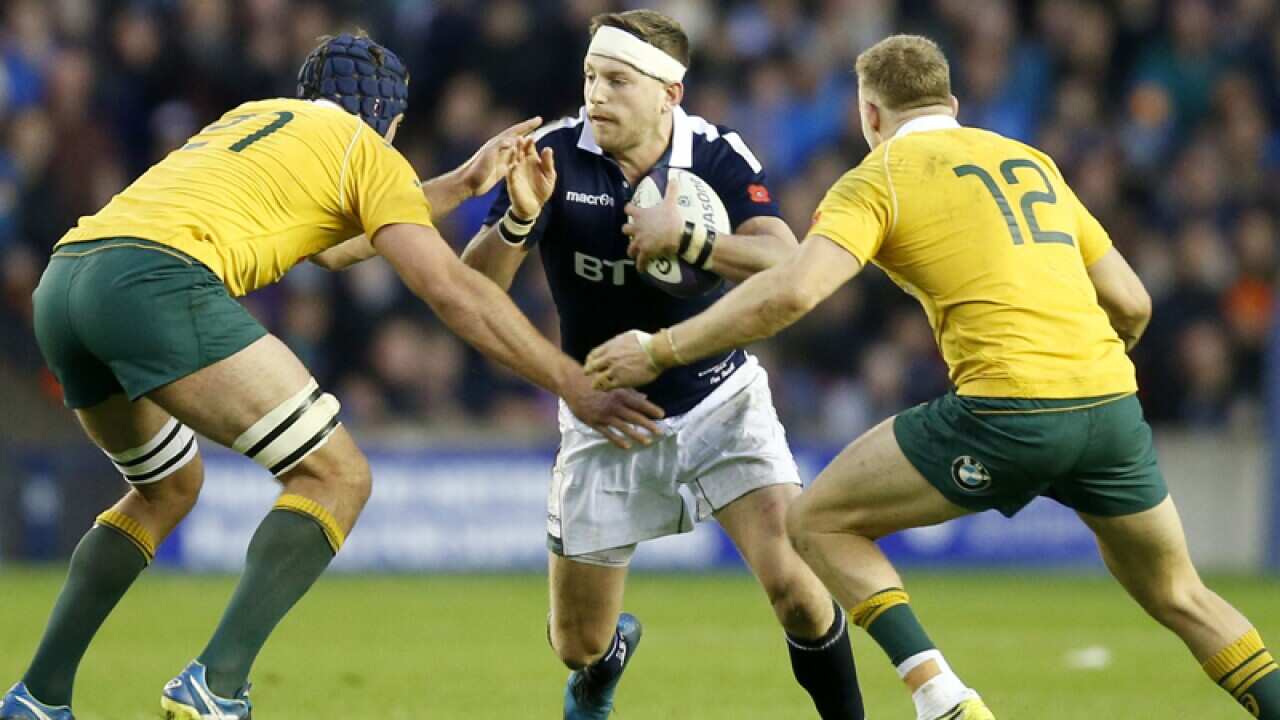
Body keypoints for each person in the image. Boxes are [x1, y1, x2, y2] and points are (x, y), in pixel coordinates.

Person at [586, 33, 1280, 720]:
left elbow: (793, 293)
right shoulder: (1030, 160)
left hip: (1006, 409)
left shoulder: (878, 176)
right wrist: (1085, 375)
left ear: (870, 116)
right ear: (951, 102)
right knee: (1182, 595)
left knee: (817, 522)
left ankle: (942, 698)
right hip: (1111, 411)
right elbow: (1133, 301)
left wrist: (661, 349)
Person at [0, 32, 660, 720]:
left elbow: (335, 248)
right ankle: (215, 686)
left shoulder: (255, 119)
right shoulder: (366, 150)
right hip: (154, 284)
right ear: (389, 122)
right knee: (338, 477)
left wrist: (465, 183)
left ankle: (37, 697)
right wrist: (568, 378)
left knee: (165, 488)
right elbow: (451, 290)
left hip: (69, 278)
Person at [462, 9, 864, 720]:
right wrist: (520, 219)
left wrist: (690, 239)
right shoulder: (553, 153)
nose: (596, 95)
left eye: (617, 80)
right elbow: (471, 289)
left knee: (799, 593)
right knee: (576, 643)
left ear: (668, 94)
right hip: (606, 417)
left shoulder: (716, 154)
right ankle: (604, 663)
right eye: (590, 76)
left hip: (720, 401)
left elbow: (786, 260)